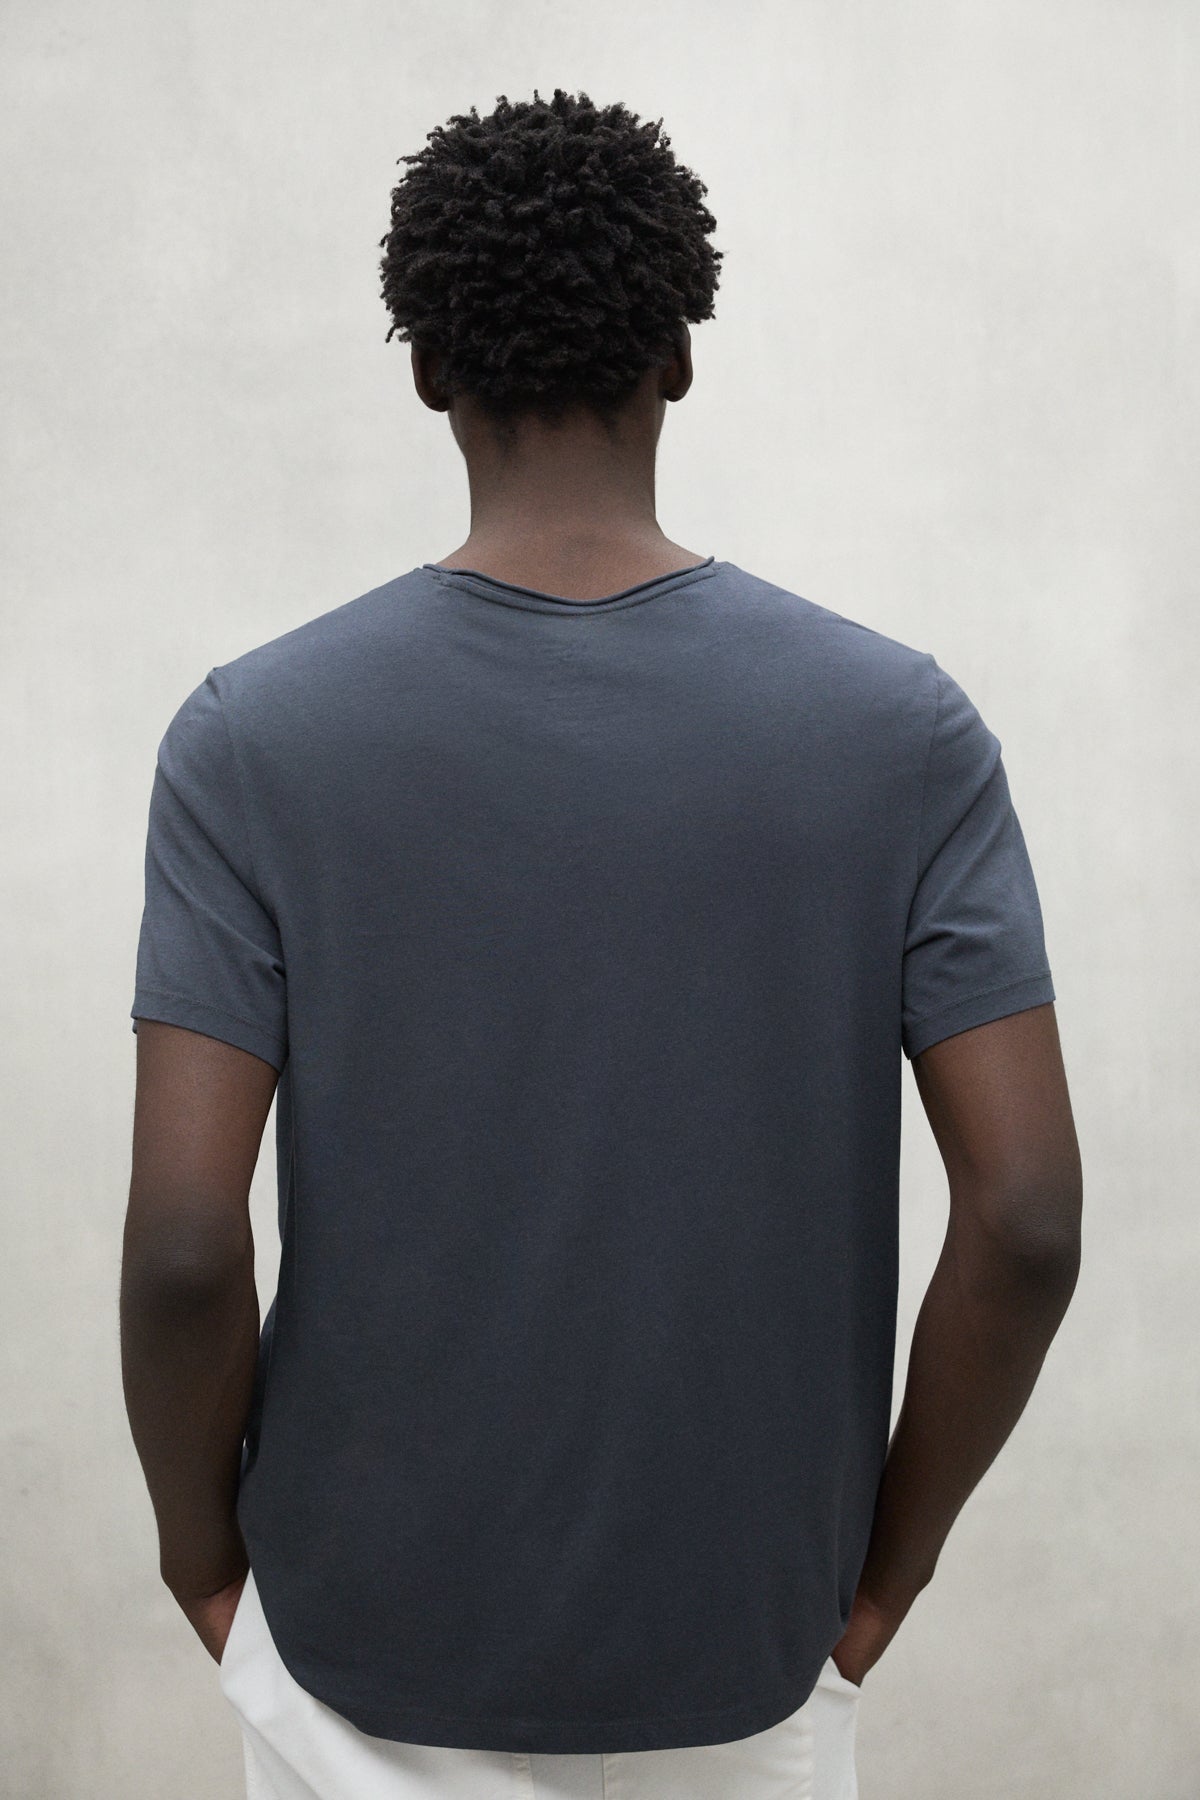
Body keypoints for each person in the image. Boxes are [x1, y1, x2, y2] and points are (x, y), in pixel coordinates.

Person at [121, 87, 1082, 1800]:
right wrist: (879, 1587)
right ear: (679, 359)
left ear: (428, 369)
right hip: (745, 1661)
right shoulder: (902, 733)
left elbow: (190, 1246)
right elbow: (1025, 1218)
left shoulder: (252, 740)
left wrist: (207, 1571)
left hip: (358, 1666)